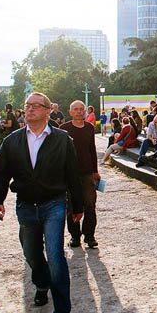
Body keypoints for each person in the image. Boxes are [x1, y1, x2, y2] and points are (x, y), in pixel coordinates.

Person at [0, 92, 83, 313]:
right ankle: (41, 284)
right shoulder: (12, 140)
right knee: (31, 253)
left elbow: (73, 174)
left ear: (48, 111)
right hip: (26, 205)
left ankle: (62, 312)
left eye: (35, 106)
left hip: (54, 204)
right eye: (27, 105)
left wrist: (78, 206)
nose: (29, 109)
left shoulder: (62, 139)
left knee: (55, 255)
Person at [60, 100, 101, 249]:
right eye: (75, 109)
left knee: (90, 204)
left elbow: (92, 149)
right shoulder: (63, 129)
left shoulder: (89, 128)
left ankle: (89, 235)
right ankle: (75, 236)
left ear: (85, 112)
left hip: (87, 172)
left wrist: (95, 170)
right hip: (70, 174)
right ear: (70, 112)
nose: (78, 111)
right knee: (71, 206)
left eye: (81, 109)